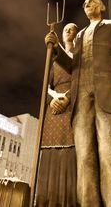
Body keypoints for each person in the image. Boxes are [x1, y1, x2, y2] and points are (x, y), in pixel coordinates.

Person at [45, 0, 111, 207]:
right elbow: (73, 67)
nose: (87, 6)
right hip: (81, 97)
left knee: (110, 155)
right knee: (84, 159)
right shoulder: (80, 36)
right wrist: (56, 48)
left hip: (106, 94)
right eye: (84, 4)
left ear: (101, 6)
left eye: (91, 2)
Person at [37, 23, 78, 207]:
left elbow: (84, 80)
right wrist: (50, 99)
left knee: (72, 154)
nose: (69, 30)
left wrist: (68, 97)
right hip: (53, 113)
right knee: (49, 153)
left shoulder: (82, 57)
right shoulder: (52, 61)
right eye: (66, 29)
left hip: (74, 107)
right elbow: (45, 85)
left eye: (73, 29)